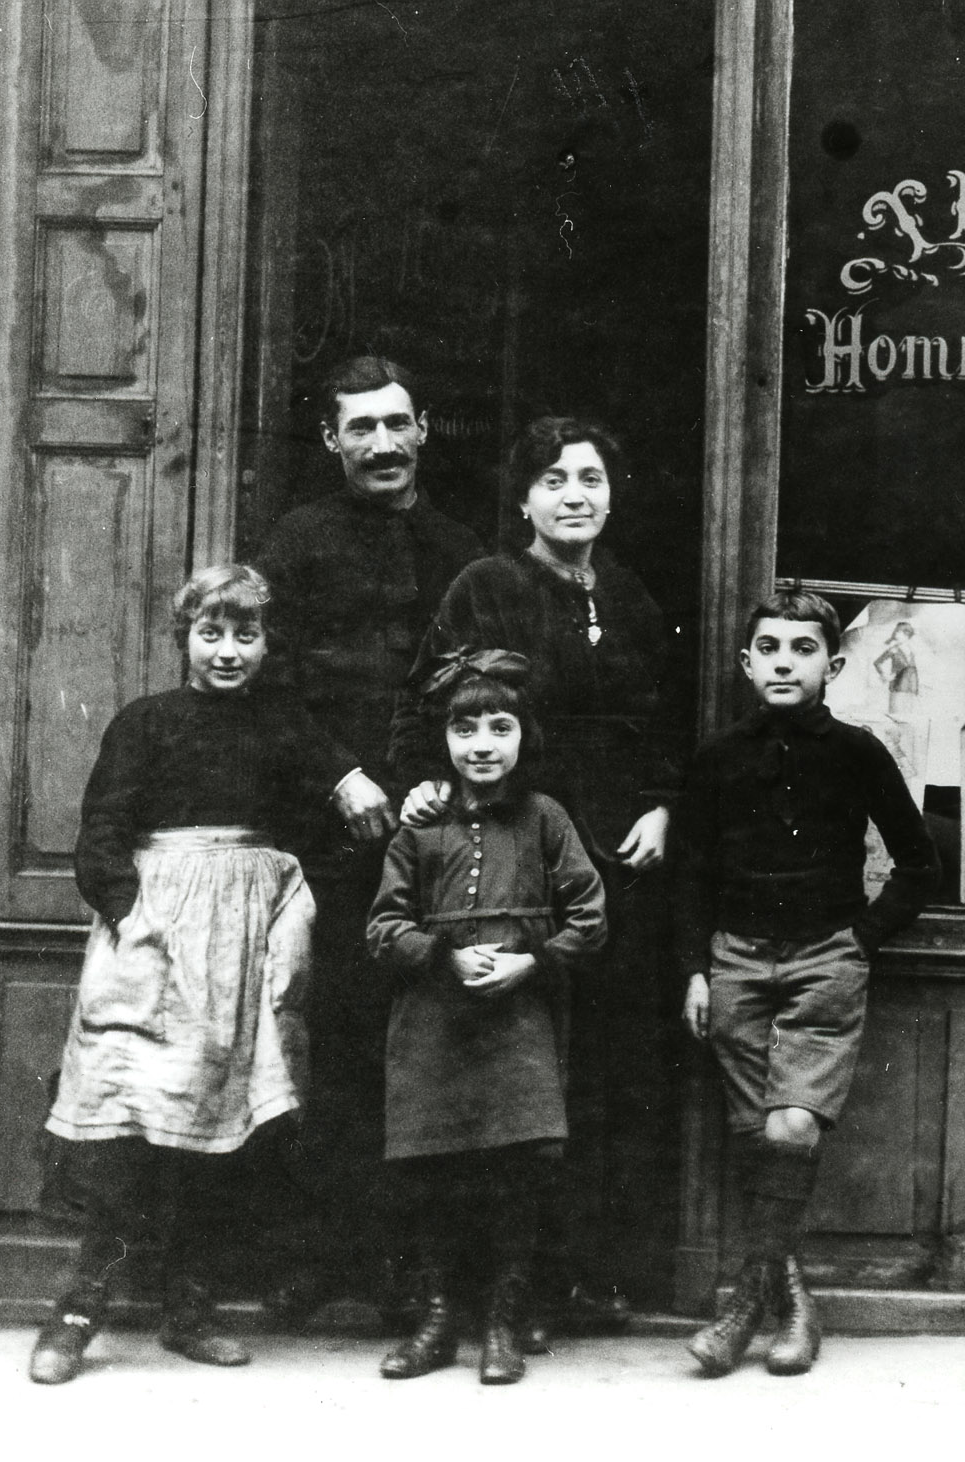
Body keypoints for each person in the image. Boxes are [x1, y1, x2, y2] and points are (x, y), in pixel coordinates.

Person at [27, 565, 392, 1385]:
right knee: (126, 1122)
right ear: (184, 639)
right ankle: (78, 1312)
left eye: (246, 635)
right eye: (211, 634)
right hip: (155, 935)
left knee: (217, 1129)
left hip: (242, 942)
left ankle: (189, 1309)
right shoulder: (145, 723)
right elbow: (102, 832)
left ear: (266, 644)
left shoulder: (281, 724)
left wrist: (351, 780)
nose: (228, 652)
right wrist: (132, 917)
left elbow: (337, 780)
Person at [390, 416, 686, 1335]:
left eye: (591, 478)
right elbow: (442, 708)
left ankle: (568, 1279)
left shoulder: (629, 594)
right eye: (553, 480)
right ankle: (477, 1292)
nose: (575, 496)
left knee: (593, 1069)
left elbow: (665, 717)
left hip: (615, 855)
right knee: (501, 1066)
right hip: (520, 844)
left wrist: (661, 802)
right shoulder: (490, 585)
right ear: (522, 498)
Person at [254, 356, 484, 1317]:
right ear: (331, 441)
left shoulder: (461, 549)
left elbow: (480, 683)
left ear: (424, 429)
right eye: (362, 429)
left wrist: (437, 777)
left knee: (424, 1041)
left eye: (398, 424)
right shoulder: (297, 544)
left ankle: (414, 1270)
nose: (383, 444)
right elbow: (261, 678)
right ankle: (319, 1256)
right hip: (326, 830)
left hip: (434, 830)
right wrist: (339, 775)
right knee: (330, 1039)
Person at [674, 588, 940, 1377]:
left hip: (825, 958)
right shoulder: (719, 756)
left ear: (835, 663)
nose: (785, 662)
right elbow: (688, 873)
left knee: (791, 1130)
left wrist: (859, 939)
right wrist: (695, 968)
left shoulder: (857, 752)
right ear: (746, 661)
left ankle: (746, 1304)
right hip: (736, 962)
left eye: (803, 649)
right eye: (771, 649)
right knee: (758, 1136)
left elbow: (919, 863)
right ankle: (793, 1302)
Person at [366, 651, 607, 1385]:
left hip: (521, 1020)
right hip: (433, 1019)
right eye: (464, 727)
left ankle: (502, 1320)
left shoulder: (545, 820)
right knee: (433, 1168)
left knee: (517, 1167)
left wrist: (530, 960)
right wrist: (441, 955)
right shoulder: (422, 829)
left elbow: (590, 917)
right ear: (443, 740)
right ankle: (439, 1321)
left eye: (499, 727)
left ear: (523, 737)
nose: (481, 743)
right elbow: (382, 927)